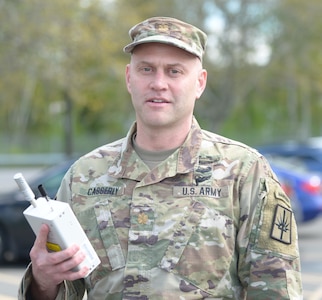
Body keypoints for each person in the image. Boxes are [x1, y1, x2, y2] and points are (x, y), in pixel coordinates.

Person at [18, 16, 303, 299]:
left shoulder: (243, 172)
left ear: (200, 83)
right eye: (146, 69)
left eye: (174, 71)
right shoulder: (84, 176)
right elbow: (66, 286)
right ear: (130, 78)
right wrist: (42, 282)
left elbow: (276, 289)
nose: (158, 83)